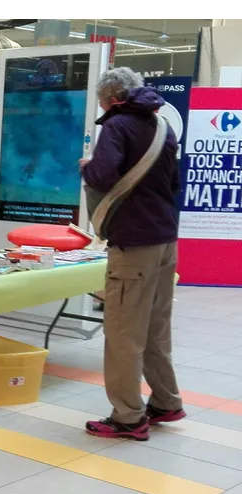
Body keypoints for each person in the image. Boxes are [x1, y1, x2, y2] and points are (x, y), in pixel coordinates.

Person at [80, 67, 184, 441]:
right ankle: (167, 401)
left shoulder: (117, 126)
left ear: (109, 99)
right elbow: (173, 182)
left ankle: (127, 416)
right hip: (165, 240)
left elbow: (103, 176)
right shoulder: (162, 127)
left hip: (134, 243)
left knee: (124, 332)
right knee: (157, 328)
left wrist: (89, 169)